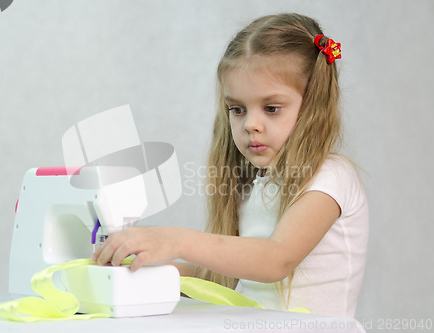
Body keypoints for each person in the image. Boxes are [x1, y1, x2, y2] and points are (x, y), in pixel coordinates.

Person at [92, 13, 368, 317]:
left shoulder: (330, 177)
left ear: (314, 104)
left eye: (271, 108)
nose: (250, 124)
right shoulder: (255, 183)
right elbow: (233, 274)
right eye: (237, 109)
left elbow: (276, 260)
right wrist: (145, 269)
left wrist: (178, 240)